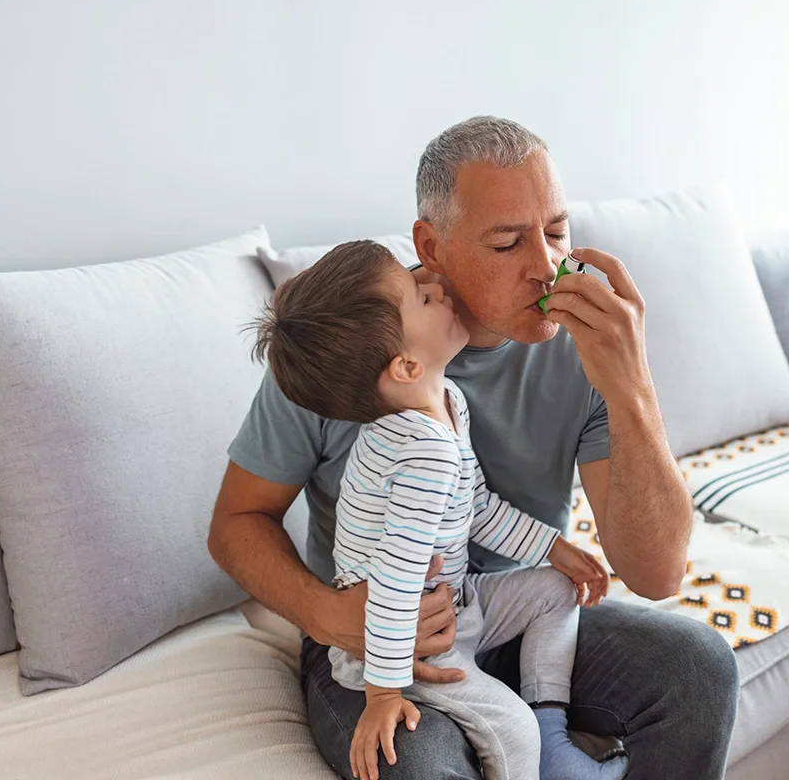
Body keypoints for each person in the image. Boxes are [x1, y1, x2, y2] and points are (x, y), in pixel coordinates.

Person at [208, 115, 740, 779]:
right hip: (381, 638)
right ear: (431, 246)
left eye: (555, 232)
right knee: (416, 765)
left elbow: (658, 574)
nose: (546, 267)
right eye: (507, 243)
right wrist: (332, 617)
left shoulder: (588, 351)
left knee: (697, 669)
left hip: (506, 609)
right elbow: (235, 523)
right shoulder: (354, 341)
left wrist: (632, 384)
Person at [248, 240, 627, 780]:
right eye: (419, 299)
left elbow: (476, 507)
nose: (433, 285)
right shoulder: (418, 450)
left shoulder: (446, 402)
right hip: (401, 642)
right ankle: (538, 743)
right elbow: (397, 580)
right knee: (509, 731)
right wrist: (384, 692)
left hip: (455, 601)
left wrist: (553, 547)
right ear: (405, 365)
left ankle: (550, 722)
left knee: (554, 590)